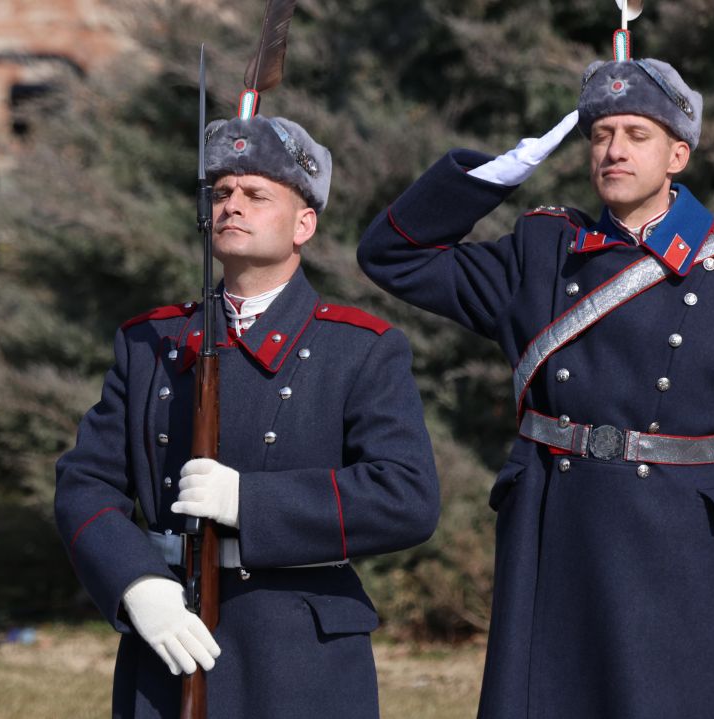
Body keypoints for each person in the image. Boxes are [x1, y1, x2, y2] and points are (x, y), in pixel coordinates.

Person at [358, 55, 714, 718]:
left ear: (678, 154)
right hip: (554, 541)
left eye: (636, 134)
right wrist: (491, 176)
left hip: (683, 561)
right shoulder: (541, 251)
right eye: (600, 134)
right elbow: (392, 255)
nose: (614, 149)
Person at [54, 113, 440, 718]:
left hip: (296, 648)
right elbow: (86, 483)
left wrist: (249, 503)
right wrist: (136, 583)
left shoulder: (358, 348)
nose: (233, 205)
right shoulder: (151, 342)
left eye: (257, 195)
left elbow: (406, 497)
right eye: (222, 194)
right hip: (170, 631)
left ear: (303, 224)